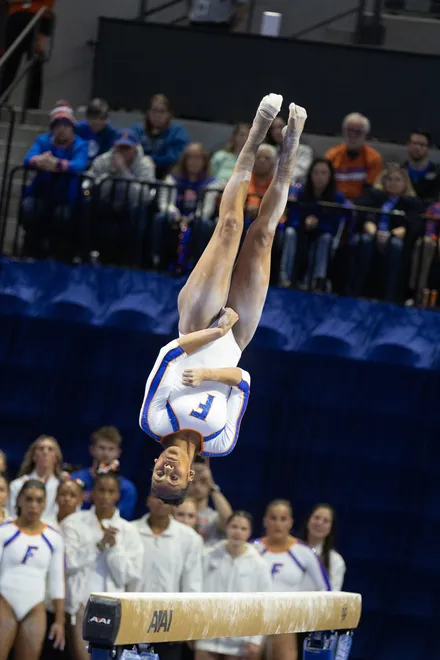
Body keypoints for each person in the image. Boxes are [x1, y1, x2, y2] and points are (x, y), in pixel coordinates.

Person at [139, 94, 308, 504]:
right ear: (189, 479)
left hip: (198, 322)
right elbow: (244, 382)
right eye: (172, 481)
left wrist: (214, 329)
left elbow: (169, 353)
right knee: (263, 236)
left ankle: (256, 129)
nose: (166, 472)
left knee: (231, 226)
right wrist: (216, 370)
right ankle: (289, 146)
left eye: (158, 476)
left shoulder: (154, 420)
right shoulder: (220, 442)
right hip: (236, 340)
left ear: (154, 466)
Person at [61, 466, 142, 660]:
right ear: (92, 493)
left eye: (111, 491)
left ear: (117, 495)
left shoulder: (128, 530)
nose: (105, 496)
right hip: (80, 605)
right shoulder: (72, 523)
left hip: (115, 608)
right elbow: (67, 563)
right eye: (101, 490)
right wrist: (98, 546)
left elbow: (129, 576)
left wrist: (113, 549)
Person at [254, 500, 330, 660]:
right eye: (273, 518)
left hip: (286, 621)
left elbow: (326, 590)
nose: (278, 524)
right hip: (253, 619)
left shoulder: (304, 552)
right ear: (265, 520)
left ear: (290, 522)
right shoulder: (253, 549)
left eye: (283, 519)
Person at [130, 496, 203, 660]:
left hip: (169, 622)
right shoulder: (130, 530)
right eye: (157, 497)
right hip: (133, 619)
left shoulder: (189, 538)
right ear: (147, 499)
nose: (161, 502)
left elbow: (192, 584)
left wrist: (189, 622)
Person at [0, 480, 65, 660]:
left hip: (34, 608)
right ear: (19, 500)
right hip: (4, 603)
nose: (33, 505)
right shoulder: (4, 532)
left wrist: (60, 621)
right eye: (28, 499)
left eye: (39, 500)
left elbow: (57, 581)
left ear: (46, 503)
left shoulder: (53, 537)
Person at [195, 511, 272, 660]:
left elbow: (265, 604)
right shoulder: (208, 556)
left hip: (240, 642)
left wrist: (255, 639)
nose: (237, 532)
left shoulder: (259, 564)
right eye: (234, 526)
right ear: (227, 528)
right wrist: (193, 630)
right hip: (206, 637)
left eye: (243, 529)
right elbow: (196, 594)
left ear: (249, 532)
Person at [349, 164, 423, 301]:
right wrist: (373, 230)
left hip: (395, 237)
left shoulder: (412, 203)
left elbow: (411, 225)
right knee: (364, 242)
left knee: (395, 246)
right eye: (389, 179)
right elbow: (365, 216)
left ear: (405, 183)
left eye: (397, 180)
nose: (393, 183)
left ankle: (389, 296)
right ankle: (355, 292)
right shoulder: (373, 196)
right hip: (372, 234)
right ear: (383, 181)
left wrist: (391, 234)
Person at [22, 104, 89, 257]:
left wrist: (57, 164)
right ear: (52, 128)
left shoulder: (80, 144)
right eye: (58, 125)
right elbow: (28, 159)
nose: (62, 129)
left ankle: (58, 254)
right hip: (41, 193)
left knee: (63, 217)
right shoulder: (43, 141)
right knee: (28, 208)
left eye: (66, 125)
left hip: (66, 198)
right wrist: (39, 160)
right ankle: (31, 250)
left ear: (72, 127)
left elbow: (79, 165)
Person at [84, 129, 155, 265]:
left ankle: (132, 260)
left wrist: (123, 172)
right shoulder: (103, 160)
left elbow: (143, 196)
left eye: (126, 148)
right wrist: (109, 176)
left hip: (131, 207)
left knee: (137, 212)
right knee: (87, 204)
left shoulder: (145, 165)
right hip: (106, 202)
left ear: (135, 149)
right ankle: (87, 253)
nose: (122, 152)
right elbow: (89, 186)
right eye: (119, 148)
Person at [279, 158, 346, 289]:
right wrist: (304, 223)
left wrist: (318, 224)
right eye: (315, 172)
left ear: (330, 176)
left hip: (322, 234)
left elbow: (334, 226)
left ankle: (317, 280)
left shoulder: (337, 198)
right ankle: (285, 277)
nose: (319, 177)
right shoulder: (301, 193)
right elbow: (293, 219)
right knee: (289, 233)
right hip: (301, 232)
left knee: (325, 239)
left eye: (323, 173)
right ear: (310, 174)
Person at [152, 142, 219, 271]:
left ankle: (198, 265)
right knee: (160, 218)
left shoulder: (211, 183)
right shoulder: (172, 179)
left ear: (204, 162)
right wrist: (175, 215)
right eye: (191, 158)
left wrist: (191, 218)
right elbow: (164, 202)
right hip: (175, 216)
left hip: (196, 218)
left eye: (198, 158)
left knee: (204, 224)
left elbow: (207, 209)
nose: (194, 162)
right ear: (184, 160)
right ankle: (159, 261)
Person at [71, 426, 137, 520]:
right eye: (102, 448)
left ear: (118, 452)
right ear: (92, 449)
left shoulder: (127, 488)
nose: (106, 454)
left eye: (111, 449)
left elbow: (122, 519)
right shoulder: (74, 480)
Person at [0, 0, 54, 108]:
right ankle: (2, 99)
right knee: (10, 65)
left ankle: (32, 105)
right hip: (16, 18)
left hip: (38, 17)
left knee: (35, 66)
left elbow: (48, 8)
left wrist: (42, 37)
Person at [325, 112, 383, 200]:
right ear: (344, 131)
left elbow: (370, 190)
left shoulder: (374, 158)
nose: (352, 135)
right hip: (334, 203)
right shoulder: (332, 155)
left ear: (365, 134)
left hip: (361, 206)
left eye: (358, 132)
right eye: (349, 130)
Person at [131, 94, 189, 179]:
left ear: (169, 114)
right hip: (138, 174)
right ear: (148, 112)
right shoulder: (137, 130)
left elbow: (175, 158)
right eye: (154, 111)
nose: (157, 115)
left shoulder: (177, 132)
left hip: (166, 176)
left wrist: (152, 160)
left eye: (162, 111)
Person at [7, 435, 63, 520]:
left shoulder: (62, 487)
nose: (45, 452)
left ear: (56, 457)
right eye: (41, 449)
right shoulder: (17, 485)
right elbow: (11, 515)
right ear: (34, 456)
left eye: (50, 449)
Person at [299, 503, 346, 591]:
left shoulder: (335, 560)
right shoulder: (291, 551)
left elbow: (333, 596)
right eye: (316, 518)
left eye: (326, 521)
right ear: (308, 520)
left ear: (331, 528)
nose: (319, 523)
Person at [187, 460, 232, 545]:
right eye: (193, 482)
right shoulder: (179, 513)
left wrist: (211, 485)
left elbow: (228, 520)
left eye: (203, 482)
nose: (197, 486)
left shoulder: (214, 517)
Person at [267, 116, 313, 184]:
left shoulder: (304, 151)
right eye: (273, 129)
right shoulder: (271, 151)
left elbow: (300, 173)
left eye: (280, 127)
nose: (277, 131)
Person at [402, 130, 440, 207]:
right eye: (414, 143)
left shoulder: (438, 171)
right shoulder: (399, 171)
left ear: (428, 148)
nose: (417, 148)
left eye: (422, 145)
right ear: (408, 145)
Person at [76, 98, 120, 163]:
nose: (98, 122)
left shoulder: (111, 133)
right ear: (87, 117)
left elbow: (106, 157)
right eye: (94, 118)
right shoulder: (78, 129)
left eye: (102, 118)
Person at [245, 144, 278, 224]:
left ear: (273, 163)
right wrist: (245, 208)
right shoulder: (244, 180)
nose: (262, 160)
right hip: (244, 218)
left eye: (267, 158)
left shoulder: (277, 185)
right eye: (258, 157)